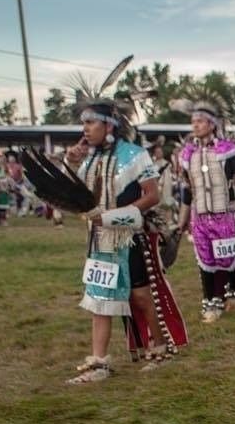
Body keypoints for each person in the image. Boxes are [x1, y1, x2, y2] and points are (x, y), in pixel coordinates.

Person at [58, 94, 188, 383]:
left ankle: (159, 349)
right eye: (83, 123)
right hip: (99, 239)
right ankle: (99, 363)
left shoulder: (133, 154)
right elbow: (76, 194)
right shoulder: (89, 158)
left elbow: (152, 196)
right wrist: (70, 161)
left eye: (90, 122)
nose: (85, 129)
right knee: (98, 298)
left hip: (130, 237)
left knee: (140, 295)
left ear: (109, 125)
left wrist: (113, 216)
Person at [174, 100, 235, 322]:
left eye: (200, 121)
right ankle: (211, 302)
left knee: (225, 257)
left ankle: (231, 293)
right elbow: (186, 189)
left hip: (224, 215)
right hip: (199, 217)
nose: (195, 125)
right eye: (193, 121)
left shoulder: (227, 151)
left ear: (212, 124)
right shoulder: (188, 154)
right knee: (205, 260)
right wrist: (182, 221)